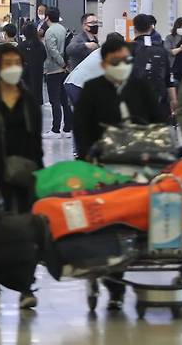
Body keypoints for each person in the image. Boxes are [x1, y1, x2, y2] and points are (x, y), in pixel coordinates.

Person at [73, 37, 162, 310]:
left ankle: (146, 252)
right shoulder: (92, 89)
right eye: (116, 62)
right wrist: (89, 157)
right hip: (106, 167)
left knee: (139, 215)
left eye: (125, 61)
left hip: (140, 165)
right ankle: (115, 283)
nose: (122, 66)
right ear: (104, 64)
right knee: (113, 221)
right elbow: (82, 128)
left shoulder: (140, 87)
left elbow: (157, 121)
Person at [0, 43, 42, 309]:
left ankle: (26, 285)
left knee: (26, 230)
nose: (13, 68)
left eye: (17, 62)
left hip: (26, 172)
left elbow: (35, 141)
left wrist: (38, 173)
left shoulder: (29, 101)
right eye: (7, 63)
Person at [131, 14, 176, 122]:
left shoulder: (128, 49)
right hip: (159, 104)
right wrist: (174, 100)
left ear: (134, 29)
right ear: (151, 28)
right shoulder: (161, 50)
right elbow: (169, 79)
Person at [43, 7, 72, 138]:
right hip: (64, 70)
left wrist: (62, 63)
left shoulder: (49, 32)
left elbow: (52, 50)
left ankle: (55, 129)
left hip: (54, 69)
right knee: (64, 100)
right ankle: (67, 128)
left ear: (47, 17)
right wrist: (65, 65)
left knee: (54, 100)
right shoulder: (63, 29)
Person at [19, 22, 46, 106]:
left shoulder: (21, 46)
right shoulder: (40, 45)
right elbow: (44, 56)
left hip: (25, 75)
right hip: (37, 73)